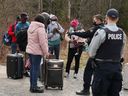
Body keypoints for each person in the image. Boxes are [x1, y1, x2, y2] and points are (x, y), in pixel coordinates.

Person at [89, 8, 126, 96]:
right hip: (116, 69)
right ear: (117, 19)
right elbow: (121, 53)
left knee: (99, 92)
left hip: (102, 68)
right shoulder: (122, 33)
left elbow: (91, 52)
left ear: (106, 18)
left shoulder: (102, 32)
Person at [75, 14, 104, 95]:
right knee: (97, 73)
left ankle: (86, 90)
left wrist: (74, 33)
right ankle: (97, 90)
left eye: (94, 19)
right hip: (102, 55)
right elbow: (90, 36)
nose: (93, 21)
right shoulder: (104, 28)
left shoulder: (97, 28)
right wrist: (87, 40)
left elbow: (86, 34)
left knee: (88, 72)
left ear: (98, 20)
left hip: (95, 55)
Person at [26, 13, 50, 93]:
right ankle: (34, 87)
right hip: (36, 52)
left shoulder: (30, 27)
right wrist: (46, 52)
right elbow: (43, 43)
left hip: (30, 51)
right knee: (35, 69)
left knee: (32, 69)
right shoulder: (40, 29)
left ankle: (32, 86)